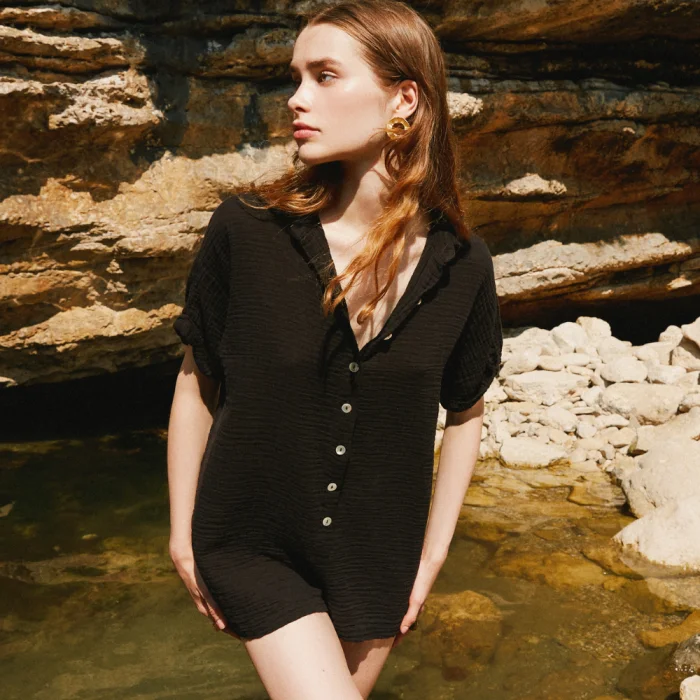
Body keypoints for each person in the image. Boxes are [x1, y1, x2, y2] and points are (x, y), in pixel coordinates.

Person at [167, 1, 503, 698]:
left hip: (380, 558)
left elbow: (466, 409)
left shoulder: (462, 263)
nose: (296, 98)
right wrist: (182, 530)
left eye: (324, 76)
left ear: (404, 99)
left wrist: (432, 555)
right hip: (252, 542)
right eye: (295, 78)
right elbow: (198, 380)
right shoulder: (246, 232)